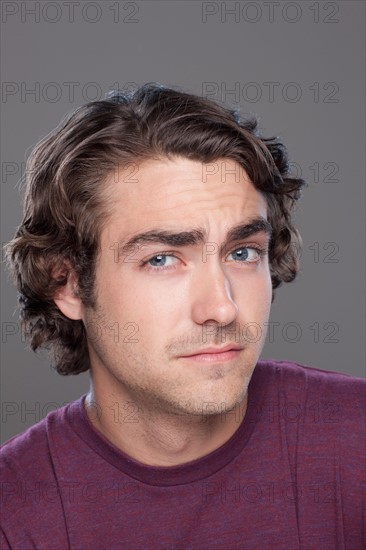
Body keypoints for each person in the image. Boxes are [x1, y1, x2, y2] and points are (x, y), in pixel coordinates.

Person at [1, 83, 364, 549]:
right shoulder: (15, 515)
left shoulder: (356, 442)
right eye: (162, 259)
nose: (221, 307)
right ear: (68, 284)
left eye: (243, 252)